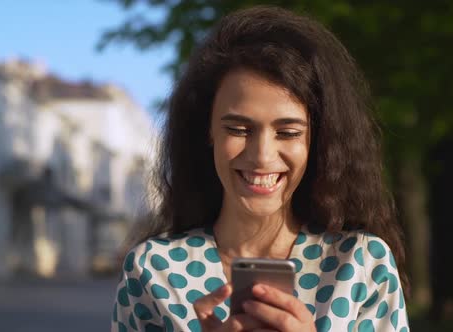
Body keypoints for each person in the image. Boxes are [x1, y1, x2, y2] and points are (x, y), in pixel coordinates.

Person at [112, 6, 410, 332]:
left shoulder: (361, 266)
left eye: (288, 132)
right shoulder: (152, 271)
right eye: (239, 129)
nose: (262, 156)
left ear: (317, 140)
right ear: (207, 131)